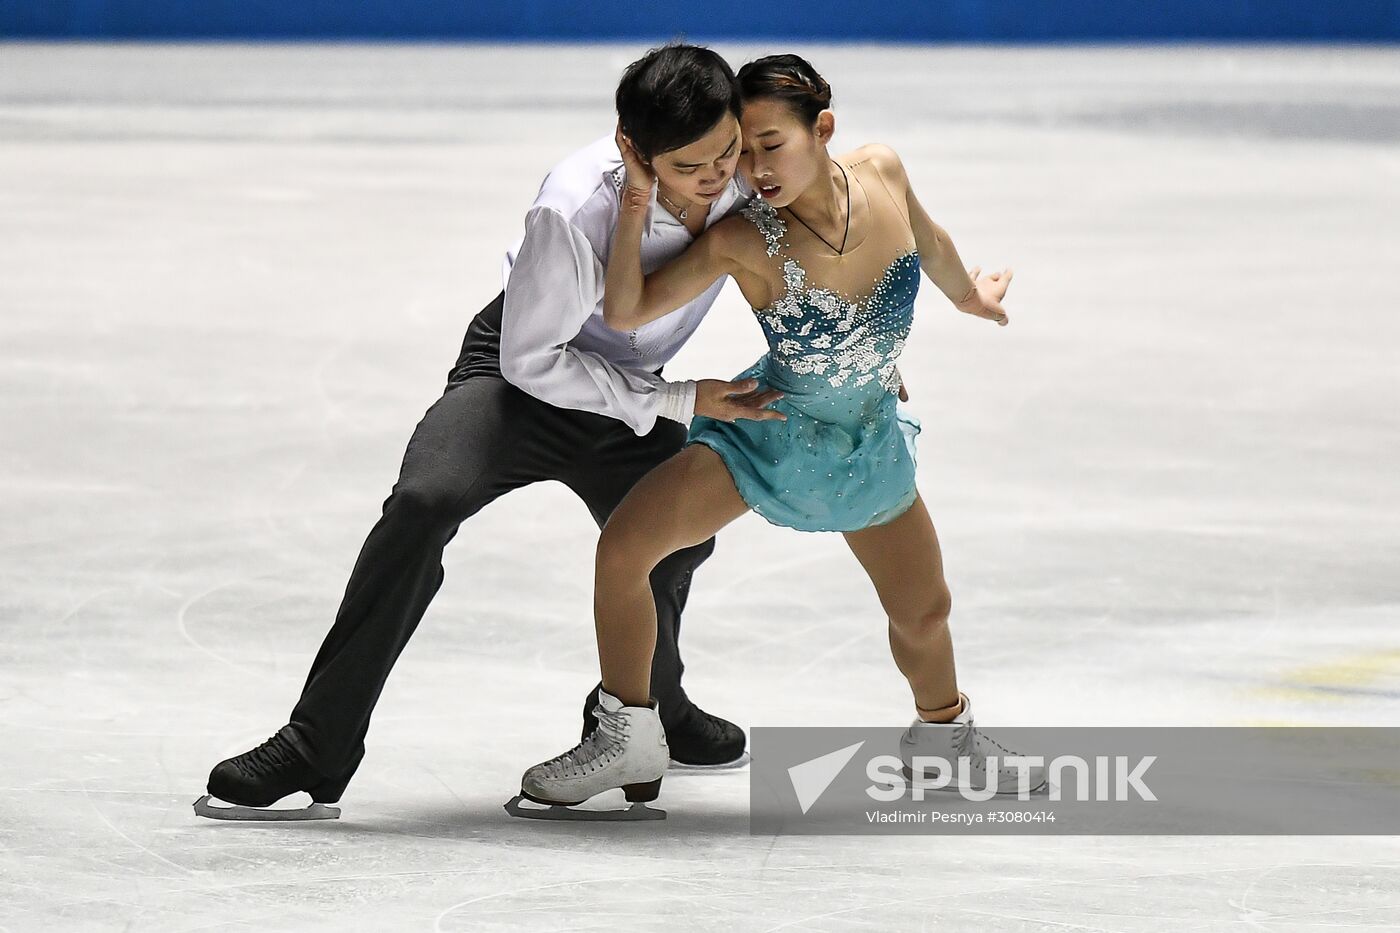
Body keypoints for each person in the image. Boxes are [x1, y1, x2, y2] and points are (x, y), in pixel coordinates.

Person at [196, 44, 781, 821]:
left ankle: (654, 707)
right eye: (688, 165)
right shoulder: (575, 209)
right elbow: (536, 359)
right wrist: (675, 399)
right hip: (521, 378)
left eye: (726, 152)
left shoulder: (747, 179)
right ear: (632, 149)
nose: (714, 178)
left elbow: (813, 258)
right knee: (424, 502)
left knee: (677, 537)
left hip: (635, 391)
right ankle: (318, 741)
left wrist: (853, 359)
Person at [513, 54, 1047, 817]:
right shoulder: (744, 236)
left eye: (770, 144)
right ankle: (629, 729)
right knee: (625, 549)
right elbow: (625, 310)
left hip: (863, 439)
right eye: (742, 149)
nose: (751, 170)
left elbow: (928, 243)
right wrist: (636, 196)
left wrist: (970, 297)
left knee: (925, 610)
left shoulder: (884, 172)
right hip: (769, 423)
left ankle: (943, 740)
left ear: (822, 128)